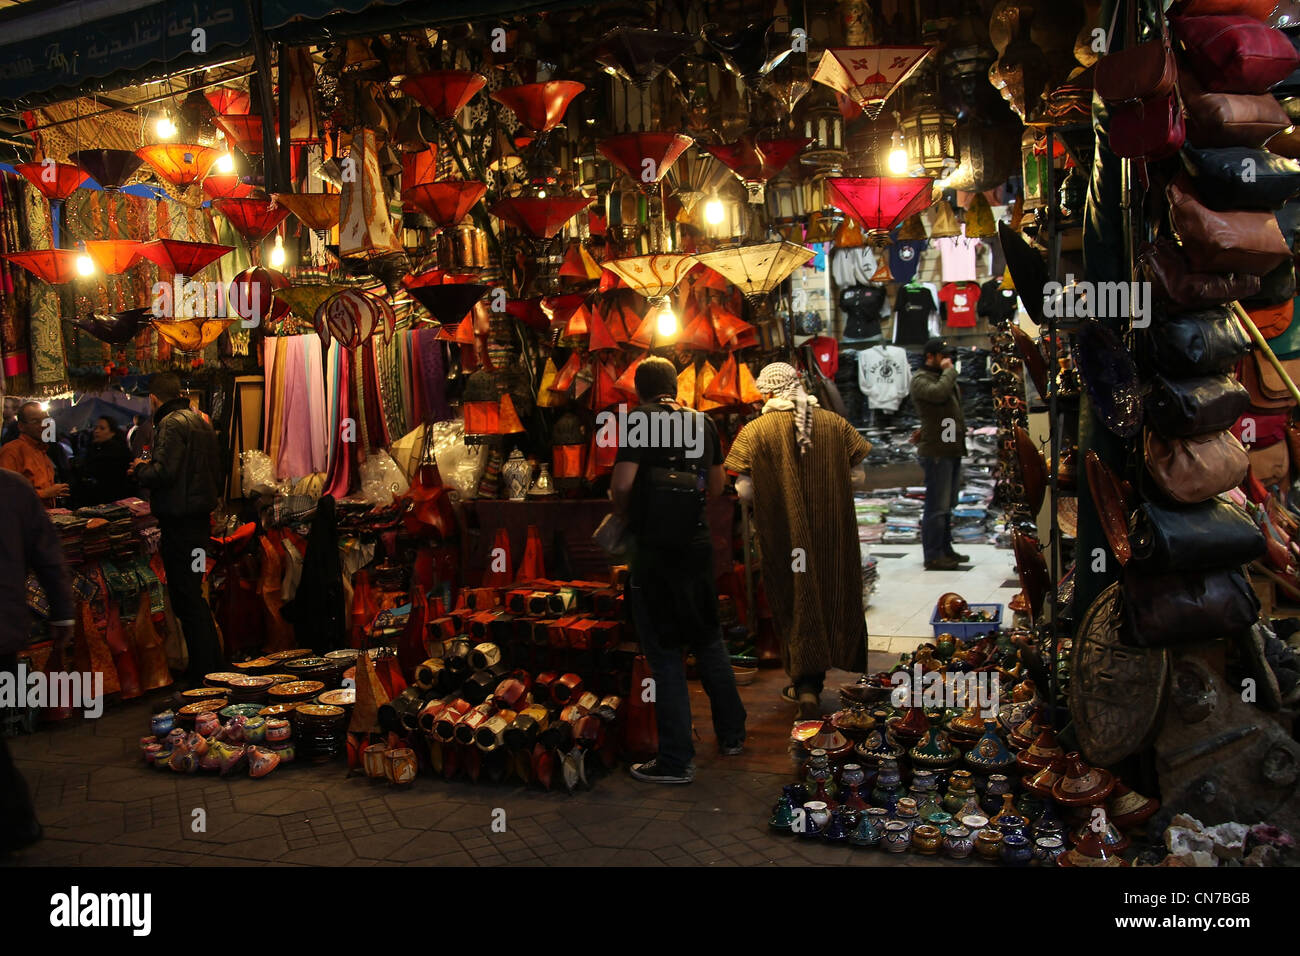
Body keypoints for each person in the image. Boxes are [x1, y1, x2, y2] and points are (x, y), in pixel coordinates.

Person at [610, 356, 746, 784]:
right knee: (708, 640)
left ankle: (675, 761)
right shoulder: (701, 422)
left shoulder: (637, 421)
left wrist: (628, 517)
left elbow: (622, 485)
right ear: (675, 386)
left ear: (639, 391)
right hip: (697, 545)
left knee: (665, 652)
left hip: (654, 551)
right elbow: (720, 485)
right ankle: (732, 736)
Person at [724, 362, 871, 719]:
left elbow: (744, 490)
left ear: (767, 392)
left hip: (783, 535)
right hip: (832, 532)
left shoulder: (755, 431)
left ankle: (805, 684)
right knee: (831, 592)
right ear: (798, 384)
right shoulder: (834, 425)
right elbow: (859, 478)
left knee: (794, 596)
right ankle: (816, 679)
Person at [129, 374, 222, 683]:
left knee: (186, 597)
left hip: (180, 525)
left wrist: (141, 469)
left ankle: (203, 672)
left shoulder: (169, 424)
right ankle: (211, 665)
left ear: (154, 399)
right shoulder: (200, 421)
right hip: (197, 523)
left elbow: (163, 472)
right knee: (194, 595)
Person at [0, 469, 75, 851]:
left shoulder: (13, 489)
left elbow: (47, 555)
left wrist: (62, 611)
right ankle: (16, 821)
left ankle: (16, 821)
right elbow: (47, 555)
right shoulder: (13, 488)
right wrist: (61, 611)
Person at [910, 338, 969, 571]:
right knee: (936, 506)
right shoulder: (920, 380)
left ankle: (945, 549)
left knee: (947, 505)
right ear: (930, 357)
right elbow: (938, 395)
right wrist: (948, 373)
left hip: (950, 448)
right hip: (936, 451)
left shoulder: (941, 377)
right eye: (942, 356)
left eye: (948, 357)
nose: (947, 361)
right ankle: (933, 555)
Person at [0, 401, 69, 506]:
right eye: (36, 421)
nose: (44, 425)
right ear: (21, 426)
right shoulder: (12, 451)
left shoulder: (43, 450)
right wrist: (45, 493)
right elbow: (6, 492)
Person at [75, 416, 132, 506]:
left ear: (112, 432)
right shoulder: (95, 448)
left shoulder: (116, 451)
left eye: (102, 428)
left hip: (112, 500)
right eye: (95, 428)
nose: (97, 431)